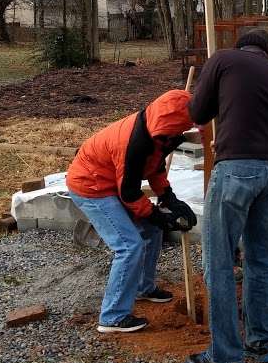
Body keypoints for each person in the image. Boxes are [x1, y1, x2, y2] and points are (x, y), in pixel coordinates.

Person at [185, 29, 268, 363]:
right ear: (267, 51)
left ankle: (225, 355)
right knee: (261, 260)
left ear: (240, 47)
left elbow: (198, 111)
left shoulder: (223, 60)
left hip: (236, 171)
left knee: (218, 261)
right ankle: (260, 341)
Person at [66, 90, 198, 334]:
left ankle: (142, 287)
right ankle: (113, 316)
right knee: (129, 246)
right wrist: (157, 215)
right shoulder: (134, 142)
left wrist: (170, 199)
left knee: (152, 230)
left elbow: (155, 168)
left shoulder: (157, 133)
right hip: (91, 186)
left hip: (110, 183)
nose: (176, 137)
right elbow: (128, 193)